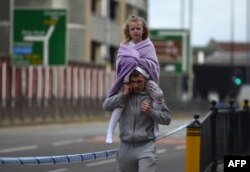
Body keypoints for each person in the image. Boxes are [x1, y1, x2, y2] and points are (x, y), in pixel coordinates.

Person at [105, 15, 164, 143]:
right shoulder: (124, 46)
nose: (136, 31)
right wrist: (127, 76)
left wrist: (136, 60)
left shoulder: (148, 45)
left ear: (143, 30)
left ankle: (155, 125)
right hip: (126, 80)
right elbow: (120, 63)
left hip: (146, 80)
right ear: (128, 32)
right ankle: (110, 132)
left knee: (158, 94)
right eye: (132, 29)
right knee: (120, 104)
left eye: (138, 28)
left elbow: (153, 65)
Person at [103, 68, 171, 172]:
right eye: (133, 82)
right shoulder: (124, 95)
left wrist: (151, 112)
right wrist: (123, 95)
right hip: (125, 147)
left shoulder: (153, 96)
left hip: (146, 147)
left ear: (146, 81)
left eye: (139, 82)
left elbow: (167, 118)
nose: (135, 85)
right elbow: (106, 106)